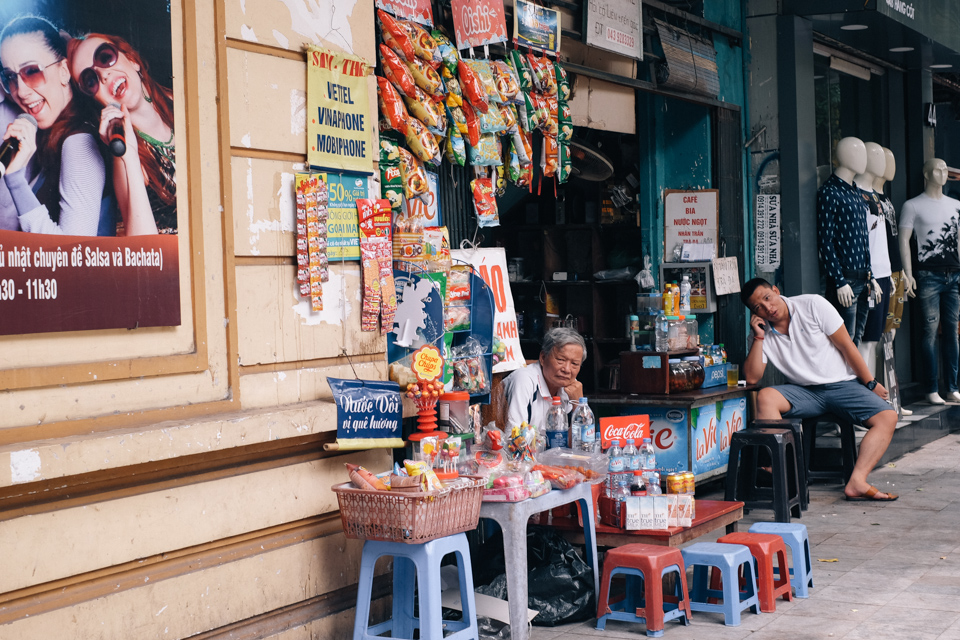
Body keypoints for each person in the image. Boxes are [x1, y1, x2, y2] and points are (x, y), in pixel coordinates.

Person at [742, 277, 898, 501]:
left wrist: (870, 382)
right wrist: (758, 337)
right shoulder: (762, 331)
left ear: (776, 290)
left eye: (768, 298)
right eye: (758, 307)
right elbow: (752, 377)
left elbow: (847, 346)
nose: (768, 308)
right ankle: (783, 472)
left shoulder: (813, 305)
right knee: (766, 396)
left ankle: (857, 481)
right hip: (803, 392)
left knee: (888, 417)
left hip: (842, 385)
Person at [0, 15, 105, 235]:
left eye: (32, 71)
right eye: (11, 77)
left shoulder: (79, 143)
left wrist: (16, 181)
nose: (21, 91)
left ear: (64, 71)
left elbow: (71, 256)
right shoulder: (56, 135)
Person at [67, 32, 176, 235]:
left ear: (132, 60)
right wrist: (130, 157)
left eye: (105, 57)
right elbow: (143, 251)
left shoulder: (183, 103)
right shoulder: (124, 155)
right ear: (97, 101)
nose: (103, 74)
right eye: (90, 80)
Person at [898, 158, 960, 405]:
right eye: (936, 169)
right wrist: (908, 272)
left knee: (953, 332)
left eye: (945, 169)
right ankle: (931, 387)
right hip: (927, 275)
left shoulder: (956, 205)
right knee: (929, 331)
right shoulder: (913, 206)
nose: (942, 173)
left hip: (954, 274)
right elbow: (904, 240)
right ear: (926, 173)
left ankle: (953, 386)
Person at [817, 136, 878, 345]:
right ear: (844, 156)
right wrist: (839, 281)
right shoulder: (829, 192)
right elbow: (825, 241)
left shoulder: (856, 192)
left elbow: (863, 238)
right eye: (859, 153)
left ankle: (854, 378)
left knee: (857, 340)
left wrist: (872, 276)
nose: (864, 159)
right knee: (843, 342)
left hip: (863, 278)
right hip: (846, 280)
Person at [502, 327, 585, 430]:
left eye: (575, 364)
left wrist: (579, 405)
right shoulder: (524, 380)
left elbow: (575, 442)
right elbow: (514, 438)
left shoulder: (571, 387)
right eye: (560, 360)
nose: (567, 370)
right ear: (543, 358)